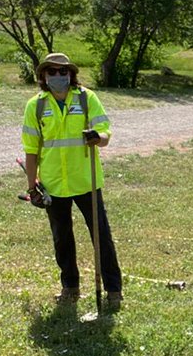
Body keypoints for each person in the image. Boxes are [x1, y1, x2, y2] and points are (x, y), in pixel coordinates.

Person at [21, 52, 122, 309]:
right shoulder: (36, 105)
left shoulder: (87, 99)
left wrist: (97, 136)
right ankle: (70, 287)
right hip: (54, 184)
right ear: (43, 75)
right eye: (52, 72)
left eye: (63, 72)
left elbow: (107, 133)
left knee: (101, 236)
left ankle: (113, 290)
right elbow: (31, 150)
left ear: (71, 75)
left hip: (85, 180)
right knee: (62, 238)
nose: (58, 76)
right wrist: (32, 186)